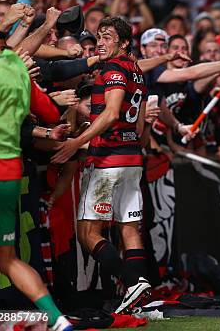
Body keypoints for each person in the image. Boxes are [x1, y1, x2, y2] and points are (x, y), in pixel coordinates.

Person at [51, 16, 152, 314]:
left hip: (108, 159)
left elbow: (109, 115)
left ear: (123, 43)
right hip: (133, 158)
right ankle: (139, 299)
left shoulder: (113, 68)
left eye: (107, 37)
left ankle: (132, 283)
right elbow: (142, 121)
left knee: (87, 232)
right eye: (99, 37)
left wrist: (75, 141)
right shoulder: (137, 70)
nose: (101, 43)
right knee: (129, 229)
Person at [0, 11, 72, 331]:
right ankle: (56, 320)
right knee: (6, 258)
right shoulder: (16, 67)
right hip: (9, 174)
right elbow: (49, 112)